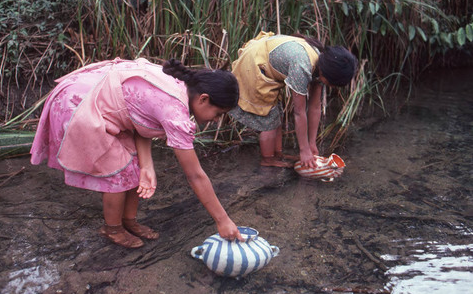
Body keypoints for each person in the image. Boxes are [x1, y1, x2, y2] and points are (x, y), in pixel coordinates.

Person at [30, 57, 244, 248]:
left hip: (100, 96)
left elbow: (141, 117)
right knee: (118, 173)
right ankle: (112, 229)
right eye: (218, 113)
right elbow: (195, 175)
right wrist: (222, 220)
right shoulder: (175, 112)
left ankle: (128, 221)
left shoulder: (181, 85)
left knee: (133, 167)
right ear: (203, 99)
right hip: (80, 102)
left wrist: (147, 166)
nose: (216, 120)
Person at [230, 31, 357, 168]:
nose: (332, 86)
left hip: (266, 60)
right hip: (255, 63)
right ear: (328, 73)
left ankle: (277, 155)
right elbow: (299, 112)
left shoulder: (321, 65)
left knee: (276, 115)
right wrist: (304, 150)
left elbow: (315, 107)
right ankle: (267, 161)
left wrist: (312, 144)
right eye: (333, 83)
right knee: (269, 120)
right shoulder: (302, 66)